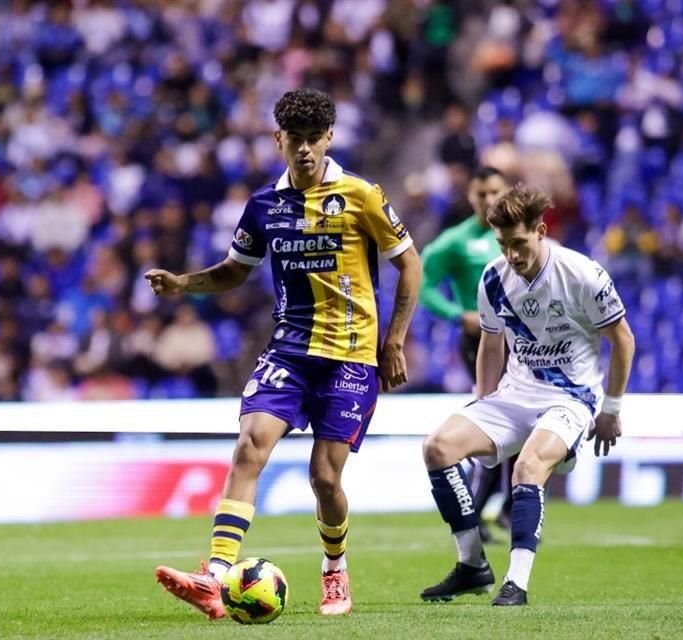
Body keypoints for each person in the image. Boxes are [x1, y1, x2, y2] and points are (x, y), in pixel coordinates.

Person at [145, 88, 422, 618]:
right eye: (295, 139)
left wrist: (394, 341)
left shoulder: (362, 196)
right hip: (289, 352)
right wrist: (184, 283)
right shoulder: (264, 206)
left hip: (350, 356)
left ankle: (335, 568)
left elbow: (410, 263)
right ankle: (216, 576)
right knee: (250, 446)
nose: (305, 150)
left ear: (330, 138)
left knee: (324, 476)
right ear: (279, 140)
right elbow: (234, 270)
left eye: (315, 139)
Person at [419, 184, 635, 606]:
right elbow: (492, 342)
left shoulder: (582, 273)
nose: (512, 255)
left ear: (539, 230)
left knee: (528, 466)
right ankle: (472, 566)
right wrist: (483, 401)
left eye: (519, 243)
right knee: (437, 448)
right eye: (503, 245)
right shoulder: (494, 278)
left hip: (570, 396)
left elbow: (623, 339)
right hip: (516, 393)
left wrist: (611, 408)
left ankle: (515, 584)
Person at [419, 166, 515, 543]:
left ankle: (493, 509)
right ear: (471, 197)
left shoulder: (517, 234)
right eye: (481, 195)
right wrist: (457, 316)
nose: (489, 201)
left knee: (519, 420)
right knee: (498, 420)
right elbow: (423, 285)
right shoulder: (456, 242)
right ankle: (493, 508)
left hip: (523, 340)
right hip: (483, 343)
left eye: (495, 192)